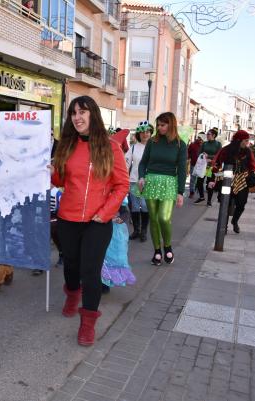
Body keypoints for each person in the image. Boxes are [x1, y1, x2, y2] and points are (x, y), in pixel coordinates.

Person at [51, 96, 129, 346]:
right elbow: (61, 181)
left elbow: (121, 185)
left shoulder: (110, 147)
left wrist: (104, 213)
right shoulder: (67, 145)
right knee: (71, 266)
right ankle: (72, 294)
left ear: (93, 114)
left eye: (83, 111)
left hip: (97, 221)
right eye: (73, 112)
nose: (77, 117)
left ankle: (88, 323)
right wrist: (52, 172)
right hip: (67, 219)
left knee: (90, 271)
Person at [138, 112, 187, 266]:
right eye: (158, 125)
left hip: (169, 184)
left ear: (171, 125)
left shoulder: (180, 144)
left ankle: (167, 246)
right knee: (153, 219)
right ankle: (157, 251)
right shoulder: (152, 142)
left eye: (162, 125)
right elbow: (143, 163)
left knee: (163, 218)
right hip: (151, 182)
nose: (159, 128)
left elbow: (182, 169)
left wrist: (180, 192)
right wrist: (141, 176)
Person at [210, 130, 255, 233]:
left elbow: (253, 165)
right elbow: (216, 163)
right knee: (225, 203)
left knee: (241, 204)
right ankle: (224, 226)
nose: (247, 143)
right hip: (227, 179)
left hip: (242, 180)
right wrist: (215, 177)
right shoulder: (225, 150)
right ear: (238, 140)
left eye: (247, 141)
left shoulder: (248, 151)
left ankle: (234, 221)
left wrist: (253, 173)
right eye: (245, 140)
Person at [125, 121, 152, 242]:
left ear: (151, 133)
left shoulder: (154, 148)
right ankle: (136, 230)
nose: (145, 134)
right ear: (138, 134)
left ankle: (144, 231)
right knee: (135, 206)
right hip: (134, 181)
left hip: (148, 182)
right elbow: (125, 164)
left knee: (145, 206)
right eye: (142, 132)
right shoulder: (134, 148)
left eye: (147, 132)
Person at [101, 197, 136, 289]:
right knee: (96, 256)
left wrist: (121, 218)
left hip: (114, 231)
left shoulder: (117, 193)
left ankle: (106, 282)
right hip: (96, 227)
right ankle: (96, 280)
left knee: (111, 257)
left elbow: (125, 211)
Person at [195, 128, 221, 206]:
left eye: (208, 134)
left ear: (213, 135)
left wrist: (210, 158)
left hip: (211, 166)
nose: (207, 135)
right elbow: (199, 153)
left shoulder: (218, 144)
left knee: (210, 183)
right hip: (203, 166)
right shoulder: (204, 143)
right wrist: (203, 156)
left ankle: (209, 201)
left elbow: (219, 155)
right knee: (199, 182)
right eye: (207, 134)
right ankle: (202, 196)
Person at [187, 134, 204, 198]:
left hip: (201, 166)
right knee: (193, 179)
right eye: (200, 138)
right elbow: (188, 152)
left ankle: (199, 191)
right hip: (193, 164)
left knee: (200, 179)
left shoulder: (204, 145)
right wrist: (188, 159)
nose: (200, 139)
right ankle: (192, 192)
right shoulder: (193, 144)